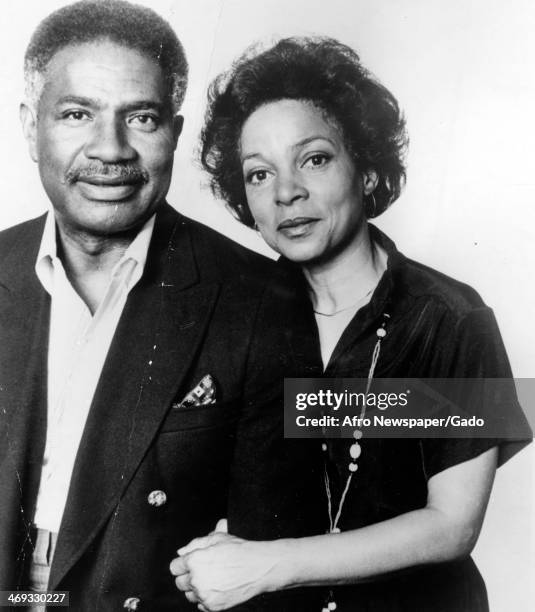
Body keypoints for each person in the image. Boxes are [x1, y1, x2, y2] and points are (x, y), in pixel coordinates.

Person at [170, 37, 532, 612]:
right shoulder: (231, 310)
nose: (287, 191)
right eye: (259, 174)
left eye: (314, 158)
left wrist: (269, 565)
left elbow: (452, 526)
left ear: (365, 170)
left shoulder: (451, 317)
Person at [0, 5, 324, 611]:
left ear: (173, 133)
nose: (110, 149)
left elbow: (272, 558)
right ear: (29, 126)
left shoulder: (260, 301)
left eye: (141, 118)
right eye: (76, 114)